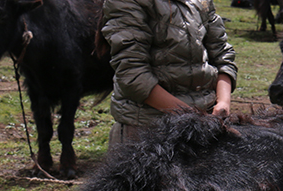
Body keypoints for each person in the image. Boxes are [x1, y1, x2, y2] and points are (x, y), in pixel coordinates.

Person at [101, 0, 238, 151]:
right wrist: (194, 120)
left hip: (203, 129)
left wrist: (223, 103)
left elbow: (222, 54)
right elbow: (133, 76)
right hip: (147, 133)